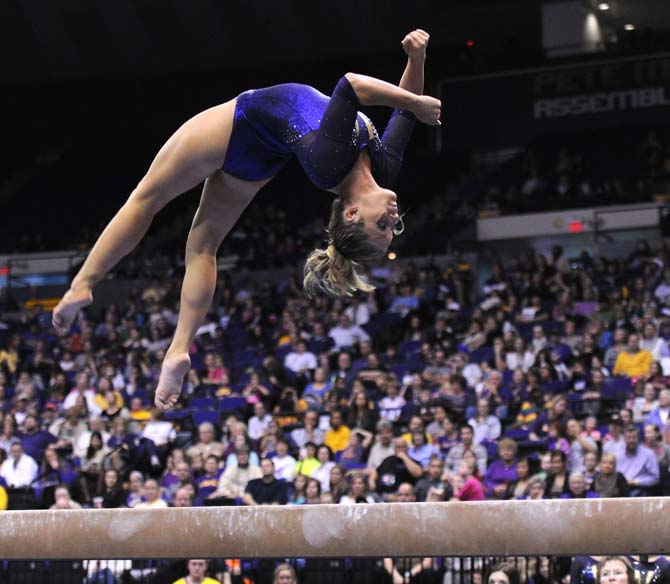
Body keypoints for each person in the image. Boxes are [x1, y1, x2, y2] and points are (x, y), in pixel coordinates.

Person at [50, 30, 441, 413]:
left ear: (352, 214)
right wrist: (416, 61)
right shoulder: (385, 170)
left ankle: (83, 286)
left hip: (237, 124)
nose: (392, 220)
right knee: (203, 246)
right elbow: (406, 114)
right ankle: (178, 349)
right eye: (393, 227)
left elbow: (351, 85)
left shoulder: (332, 164)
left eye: (382, 227)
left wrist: (415, 102)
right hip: (261, 158)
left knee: (146, 200)